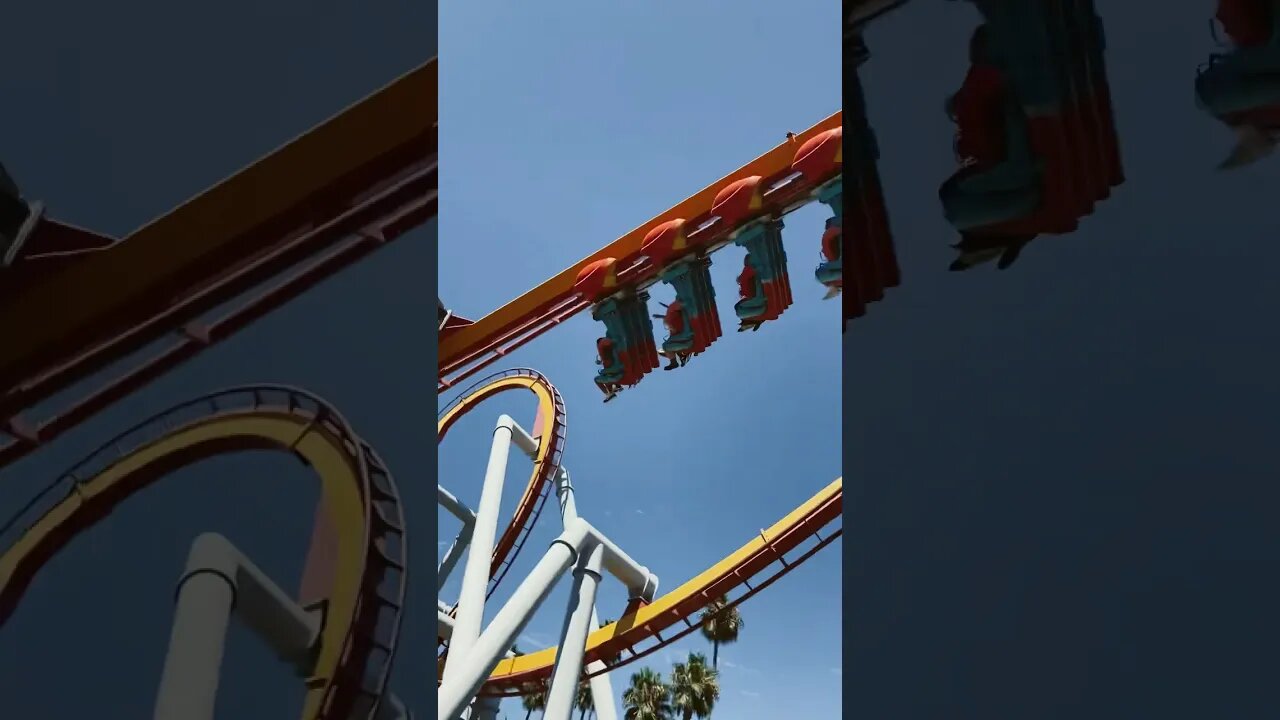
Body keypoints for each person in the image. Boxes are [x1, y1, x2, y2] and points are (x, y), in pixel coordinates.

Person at [942, 25, 1040, 271]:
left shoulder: (989, 83)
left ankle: (993, 242)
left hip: (1009, 179)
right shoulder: (986, 85)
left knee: (953, 200)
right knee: (953, 201)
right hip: (1011, 180)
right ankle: (994, 241)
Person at [653, 299, 694, 370]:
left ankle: (674, 361)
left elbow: (679, 308)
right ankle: (674, 360)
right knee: (666, 346)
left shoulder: (674, 315)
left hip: (686, 338)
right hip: (685, 338)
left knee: (666, 346)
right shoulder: (673, 315)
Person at [734, 255, 768, 329]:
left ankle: (752, 321)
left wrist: (740, 280)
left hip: (758, 300)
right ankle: (752, 321)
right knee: (739, 310)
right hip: (757, 300)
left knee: (739, 311)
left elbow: (746, 276)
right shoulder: (752, 271)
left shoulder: (750, 269)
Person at [594, 336, 623, 402]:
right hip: (614, 370)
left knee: (597, 378)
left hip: (615, 369)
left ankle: (613, 389)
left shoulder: (602, 345)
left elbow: (608, 342)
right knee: (603, 375)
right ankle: (614, 388)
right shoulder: (606, 354)